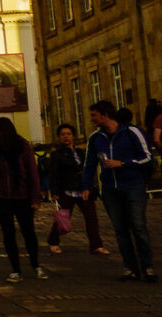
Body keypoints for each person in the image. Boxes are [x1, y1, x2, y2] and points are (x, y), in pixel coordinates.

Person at [84, 99, 155, 282]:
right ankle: (130, 267)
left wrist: (123, 163)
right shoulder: (96, 138)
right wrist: (86, 186)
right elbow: (89, 164)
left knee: (138, 226)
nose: (91, 119)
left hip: (133, 185)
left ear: (105, 115)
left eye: (94, 115)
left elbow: (148, 158)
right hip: (110, 189)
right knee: (120, 229)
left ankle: (147, 266)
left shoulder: (131, 132)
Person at [0, 117, 44, 282]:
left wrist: (36, 197)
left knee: (28, 232)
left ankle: (36, 265)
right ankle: (16, 270)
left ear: (3, 130)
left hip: (22, 195)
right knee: (8, 234)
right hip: (1, 197)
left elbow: (33, 172)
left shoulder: (22, 147)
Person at [45, 123, 107, 255]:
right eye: (63, 135)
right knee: (63, 218)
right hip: (67, 190)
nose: (66, 137)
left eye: (68, 134)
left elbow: (89, 170)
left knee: (91, 218)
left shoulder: (81, 152)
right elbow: (54, 174)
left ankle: (96, 245)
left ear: (73, 136)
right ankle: (53, 241)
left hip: (83, 190)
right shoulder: (57, 155)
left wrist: (91, 186)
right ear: (59, 137)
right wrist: (54, 192)